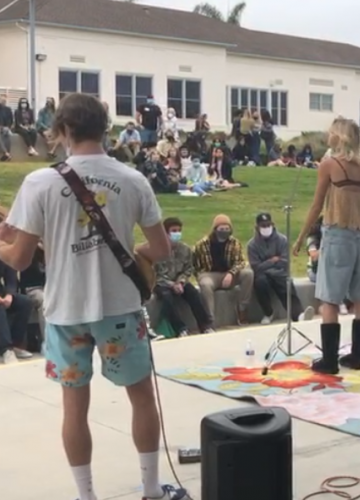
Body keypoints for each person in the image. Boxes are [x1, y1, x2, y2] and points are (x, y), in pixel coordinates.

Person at [0, 93, 184, 499]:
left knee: (74, 407)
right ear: (106, 128)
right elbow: (161, 250)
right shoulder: (133, 179)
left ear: (63, 130)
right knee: (140, 398)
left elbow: (18, 258)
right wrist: (130, 252)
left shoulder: (40, 182)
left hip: (66, 312)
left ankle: (87, 496)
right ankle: (152, 489)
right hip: (121, 308)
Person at [293, 117, 360, 374]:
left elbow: (317, 205)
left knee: (329, 298)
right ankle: (358, 357)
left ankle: (329, 361)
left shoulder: (329, 164)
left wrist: (300, 237)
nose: (327, 135)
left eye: (331, 132)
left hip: (337, 235)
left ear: (338, 137)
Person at [248, 213, 312, 324]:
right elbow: (256, 267)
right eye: (263, 225)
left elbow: (284, 262)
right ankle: (268, 313)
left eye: (268, 225)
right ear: (257, 227)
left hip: (279, 273)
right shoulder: (252, 245)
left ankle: (299, 315)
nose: (266, 228)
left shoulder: (282, 240)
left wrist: (266, 264)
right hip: (263, 276)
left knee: (286, 284)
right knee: (260, 283)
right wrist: (272, 261)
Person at [154, 218, 214, 336]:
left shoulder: (185, 249)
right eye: (173, 231)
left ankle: (205, 325)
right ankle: (180, 329)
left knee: (193, 293)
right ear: (166, 233)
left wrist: (180, 282)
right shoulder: (156, 250)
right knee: (167, 298)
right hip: (162, 283)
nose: (177, 233)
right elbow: (154, 274)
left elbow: (189, 268)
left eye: (179, 230)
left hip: (179, 282)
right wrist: (171, 285)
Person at [192, 215, 255, 326]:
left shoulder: (234, 243)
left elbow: (241, 262)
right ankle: (210, 319)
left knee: (248, 274)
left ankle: (242, 309)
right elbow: (193, 262)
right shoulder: (202, 244)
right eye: (221, 229)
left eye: (227, 229)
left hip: (229, 273)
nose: (224, 231)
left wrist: (231, 273)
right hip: (210, 274)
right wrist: (199, 275)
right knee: (205, 284)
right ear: (215, 229)